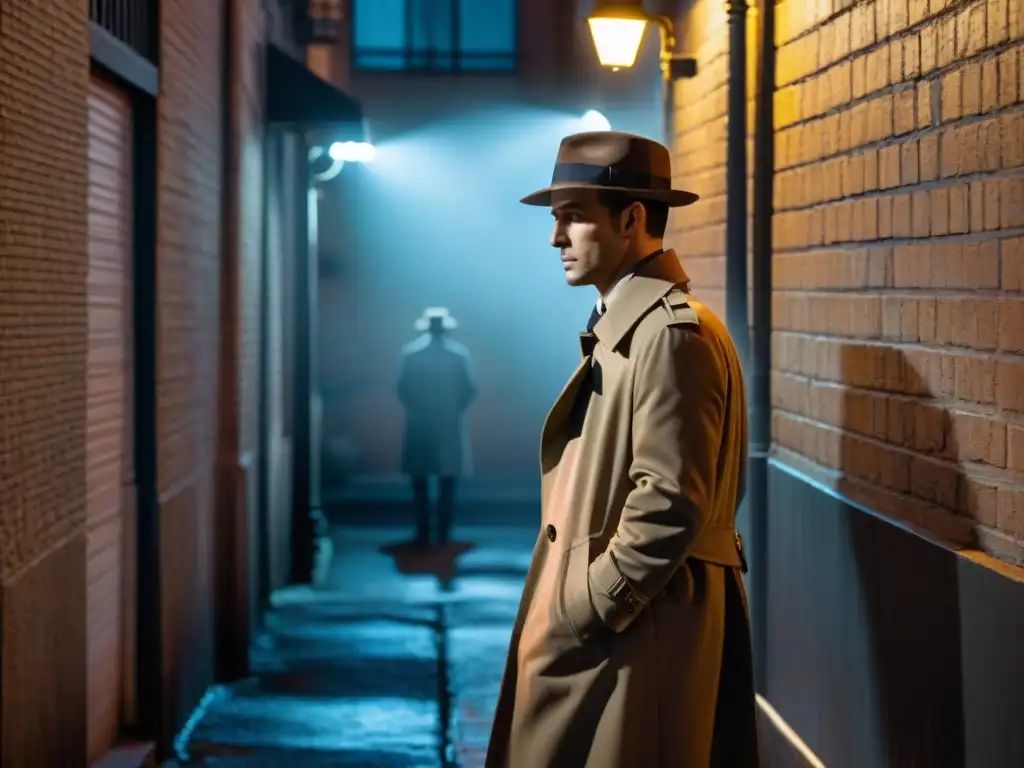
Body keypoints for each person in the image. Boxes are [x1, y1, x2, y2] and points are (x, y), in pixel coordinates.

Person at [485, 131, 759, 767]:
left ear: (632, 219)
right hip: (628, 633)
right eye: (557, 220)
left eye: (574, 217)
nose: (556, 239)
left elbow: (669, 500)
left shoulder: (669, 334)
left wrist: (588, 609)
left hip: (641, 636)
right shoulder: (631, 325)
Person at [396, 306, 477, 547]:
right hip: (448, 422)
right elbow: (469, 389)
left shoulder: (411, 355)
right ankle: (443, 532)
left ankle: (422, 531)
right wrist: (455, 410)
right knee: (447, 483)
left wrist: (416, 408)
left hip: (420, 422)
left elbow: (402, 388)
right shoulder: (458, 356)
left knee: (419, 483)